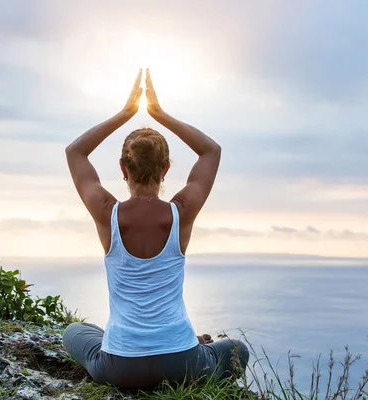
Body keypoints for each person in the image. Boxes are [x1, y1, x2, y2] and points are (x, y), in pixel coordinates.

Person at [63, 68, 249, 390]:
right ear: (165, 169)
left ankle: (128, 342)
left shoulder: (107, 215)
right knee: (237, 350)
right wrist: (160, 114)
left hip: (120, 368)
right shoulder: (181, 213)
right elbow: (211, 151)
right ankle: (194, 343)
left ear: (123, 168)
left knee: (74, 332)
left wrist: (125, 114)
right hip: (183, 363)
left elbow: (75, 152)